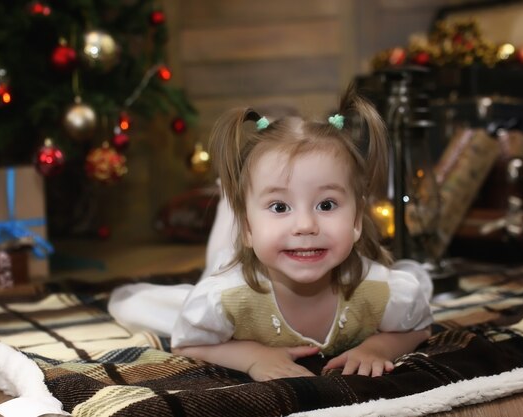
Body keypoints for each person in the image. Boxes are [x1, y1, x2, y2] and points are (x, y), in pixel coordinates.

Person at [167, 84, 433, 381]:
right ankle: (228, 207)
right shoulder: (225, 297)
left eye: (327, 204)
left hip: (264, 239)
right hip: (240, 262)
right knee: (218, 256)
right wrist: (254, 357)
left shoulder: (380, 291)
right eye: (280, 207)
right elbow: (186, 344)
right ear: (247, 228)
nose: (306, 225)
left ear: (357, 219)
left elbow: (420, 328)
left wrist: (379, 348)